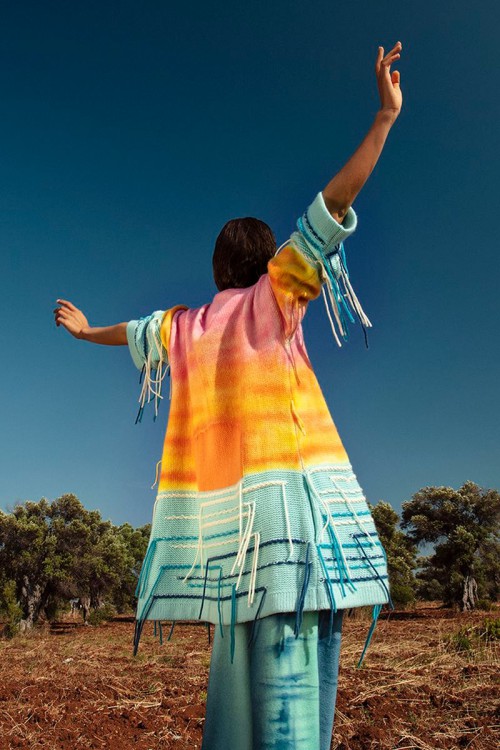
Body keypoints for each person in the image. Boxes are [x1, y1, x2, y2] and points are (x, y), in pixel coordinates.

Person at [55, 41, 403, 750]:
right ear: (268, 260)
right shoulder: (276, 296)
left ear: (217, 267)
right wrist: (383, 119)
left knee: (235, 710)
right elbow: (332, 206)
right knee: (292, 715)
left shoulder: (184, 328)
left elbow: (130, 331)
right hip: (293, 545)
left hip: (228, 553)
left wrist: (86, 331)